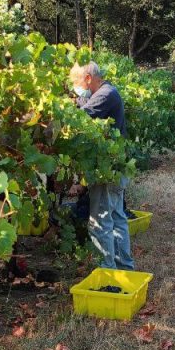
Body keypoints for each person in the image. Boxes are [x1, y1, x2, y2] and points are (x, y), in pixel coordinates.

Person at [69, 60, 134, 271]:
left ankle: (107, 273)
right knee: (116, 218)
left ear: (88, 79)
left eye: (77, 83)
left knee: (101, 222)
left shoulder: (105, 95)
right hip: (115, 166)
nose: (76, 89)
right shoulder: (106, 92)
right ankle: (124, 268)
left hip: (108, 169)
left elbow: (79, 118)